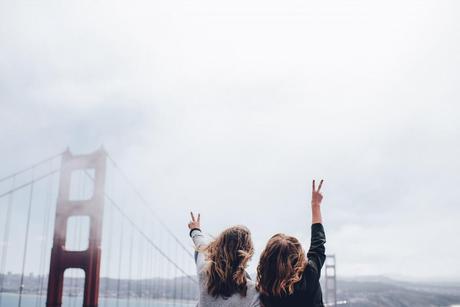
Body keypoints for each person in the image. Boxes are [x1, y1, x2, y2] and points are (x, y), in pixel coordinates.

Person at [256, 179, 326, 307]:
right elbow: (318, 244)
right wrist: (315, 205)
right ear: (298, 255)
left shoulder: (264, 288)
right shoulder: (309, 275)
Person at [188, 212, 260, 307]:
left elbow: (201, 245)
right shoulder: (254, 292)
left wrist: (195, 230)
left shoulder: (204, 272)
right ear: (248, 254)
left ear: (218, 246)